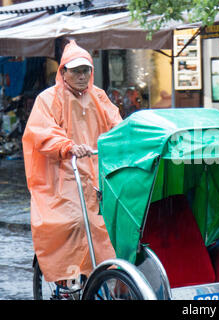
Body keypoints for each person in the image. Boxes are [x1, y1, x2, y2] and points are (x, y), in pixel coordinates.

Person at [22, 40, 122, 289]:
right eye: (75, 70)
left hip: (98, 174)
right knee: (76, 223)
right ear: (63, 71)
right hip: (63, 175)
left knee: (113, 224)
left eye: (86, 70)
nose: (81, 75)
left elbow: (117, 125)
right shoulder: (48, 99)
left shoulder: (98, 96)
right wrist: (67, 147)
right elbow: (42, 132)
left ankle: (108, 277)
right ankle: (69, 282)